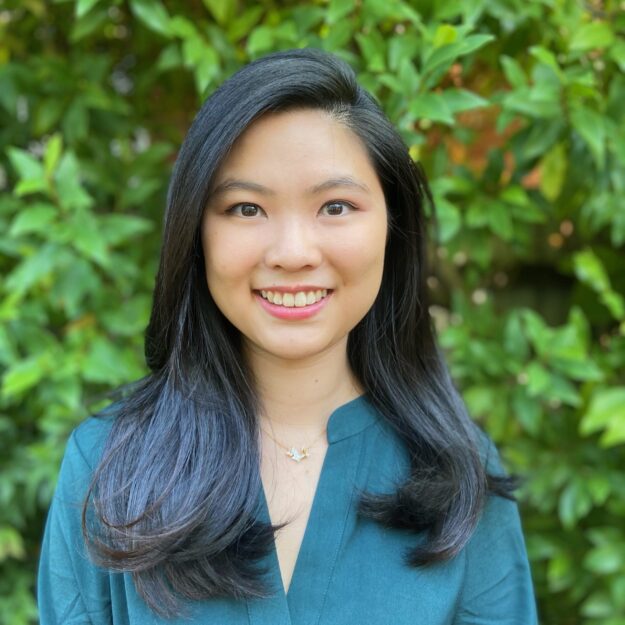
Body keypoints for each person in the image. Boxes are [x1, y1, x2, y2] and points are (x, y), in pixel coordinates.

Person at [38, 48, 538, 624]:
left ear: (391, 226)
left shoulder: (459, 476)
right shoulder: (107, 469)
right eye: (247, 209)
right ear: (196, 234)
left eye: (336, 206)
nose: (293, 253)